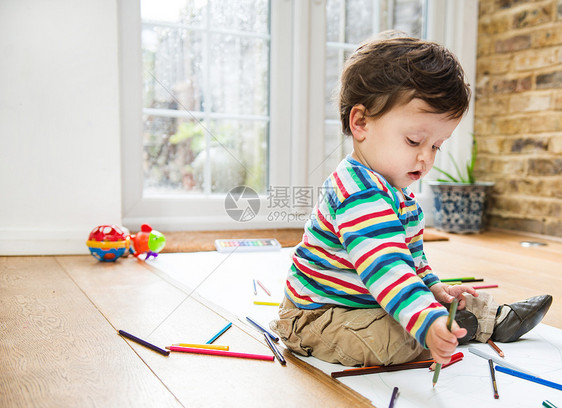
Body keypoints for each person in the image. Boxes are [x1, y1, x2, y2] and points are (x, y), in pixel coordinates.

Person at [269, 33, 552, 367]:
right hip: (319, 316)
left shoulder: (397, 192)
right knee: (396, 338)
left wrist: (433, 288)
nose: (426, 159)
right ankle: (454, 326)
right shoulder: (358, 192)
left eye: (435, 146)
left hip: (369, 300)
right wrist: (425, 319)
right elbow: (387, 267)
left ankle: (481, 317)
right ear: (361, 122)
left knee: (444, 302)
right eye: (414, 140)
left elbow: (411, 261)